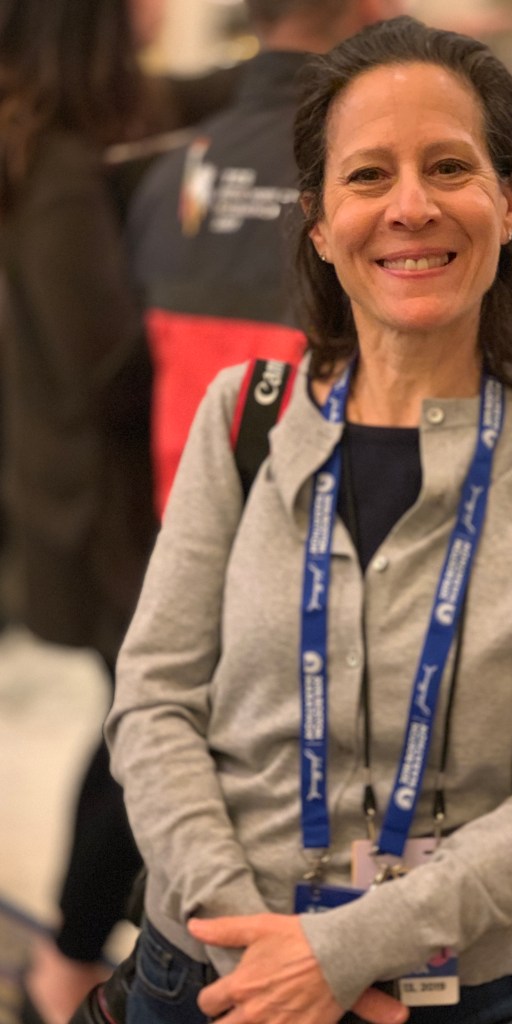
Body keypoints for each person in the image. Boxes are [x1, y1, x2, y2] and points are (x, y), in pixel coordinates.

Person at [106, 15, 512, 1024]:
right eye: (367, 176)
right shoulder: (245, 416)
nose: (410, 206)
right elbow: (154, 705)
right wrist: (258, 951)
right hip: (211, 980)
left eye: (449, 167)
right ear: (319, 222)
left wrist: (343, 952)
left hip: (446, 993)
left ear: (508, 202)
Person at [0, 2, 164, 1022]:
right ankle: (63, 960)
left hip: (89, 499)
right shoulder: (58, 166)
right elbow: (106, 364)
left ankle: (65, 953)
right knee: (144, 736)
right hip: (101, 513)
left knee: (135, 727)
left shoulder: (64, 137)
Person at [127, 0, 405, 517]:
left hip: (188, 530)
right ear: (372, 9)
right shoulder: (385, 183)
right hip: (343, 531)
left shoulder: (170, 173)